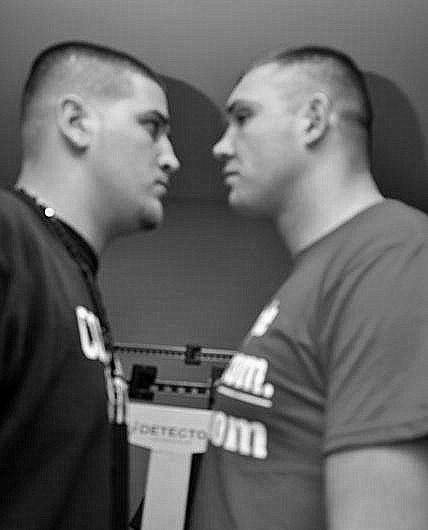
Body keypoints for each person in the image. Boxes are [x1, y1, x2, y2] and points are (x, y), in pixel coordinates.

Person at [188, 45, 428, 529]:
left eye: (242, 117)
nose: (221, 146)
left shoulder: (395, 256)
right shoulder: (320, 269)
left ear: (313, 120)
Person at [0, 41, 179, 530]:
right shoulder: (9, 237)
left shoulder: (69, 268)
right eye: (153, 127)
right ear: (76, 122)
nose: (171, 159)